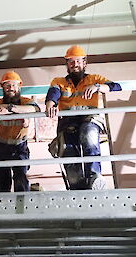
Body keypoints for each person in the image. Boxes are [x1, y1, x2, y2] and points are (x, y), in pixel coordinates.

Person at [45, 45, 121, 190]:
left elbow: (115, 86)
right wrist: (50, 104)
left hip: (89, 118)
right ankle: (76, 186)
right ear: (67, 64)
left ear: (84, 63)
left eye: (78, 61)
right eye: (71, 62)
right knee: (68, 152)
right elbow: (53, 94)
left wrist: (98, 87)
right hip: (68, 122)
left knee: (89, 135)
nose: (75, 65)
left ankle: (94, 177)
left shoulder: (94, 79)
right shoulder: (59, 81)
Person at [0, 71, 40, 192]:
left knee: (21, 181)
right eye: (7, 85)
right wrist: (20, 111)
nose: (11, 88)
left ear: (19, 86)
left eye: (13, 85)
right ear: (2, 87)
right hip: (1, 147)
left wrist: (10, 108)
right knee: (2, 185)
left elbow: (35, 109)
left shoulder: (25, 101)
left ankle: (22, 209)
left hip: (19, 147)